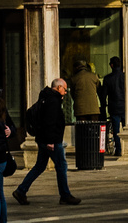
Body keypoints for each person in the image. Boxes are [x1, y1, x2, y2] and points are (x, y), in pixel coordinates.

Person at [13, 77, 80, 207]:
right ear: (59, 87)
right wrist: (51, 141)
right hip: (51, 141)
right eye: (65, 90)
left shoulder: (45, 97)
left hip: (43, 139)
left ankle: (21, 190)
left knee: (40, 166)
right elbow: (49, 122)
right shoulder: (53, 101)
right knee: (61, 166)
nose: (65, 93)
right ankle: (65, 195)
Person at [101, 57, 125, 158]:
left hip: (114, 106)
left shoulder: (108, 78)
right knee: (127, 128)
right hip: (125, 106)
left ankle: (119, 150)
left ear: (111, 65)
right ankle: (127, 148)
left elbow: (104, 95)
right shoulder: (125, 77)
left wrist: (103, 105)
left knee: (116, 131)